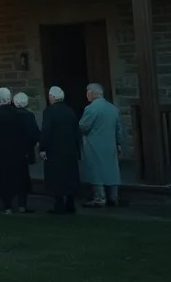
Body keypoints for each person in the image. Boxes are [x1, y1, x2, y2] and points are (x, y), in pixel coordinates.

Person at [78, 83, 124, 208]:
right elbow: (118, 129)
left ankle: (100, 198)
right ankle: (114, 196)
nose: (87, 95)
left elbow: (83, 127)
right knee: (111, 170)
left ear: (93, 93)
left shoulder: (91, 109)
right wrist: (118, 143)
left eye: (88, 92)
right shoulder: (112, 108)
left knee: (96, 171)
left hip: (94, 144)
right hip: (110, 144)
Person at [0, 87, 32, 214]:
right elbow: (24, 134)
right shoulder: (18, 114)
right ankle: (22, 205)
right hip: (18, 152)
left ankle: (7, 206)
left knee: (4, 179)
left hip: (1, 153)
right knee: (21, 179)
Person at [39, 85, 81, 214]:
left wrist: (43, 147)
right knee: (70, 175)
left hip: (54, 149)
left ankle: (59, 204)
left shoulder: (49, 112)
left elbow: (46, 131)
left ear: (52, 98)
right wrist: (77, 148)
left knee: (56, 177)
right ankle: (70, 203)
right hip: (69, 149)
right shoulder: (70, 111)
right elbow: (76, 131)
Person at [14, 92, 40, 211]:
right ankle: (22, 204)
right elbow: (34, 134)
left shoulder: (12, 115)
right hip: (25, 150)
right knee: (23, 177)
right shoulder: (29, 116)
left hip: (13, 150)